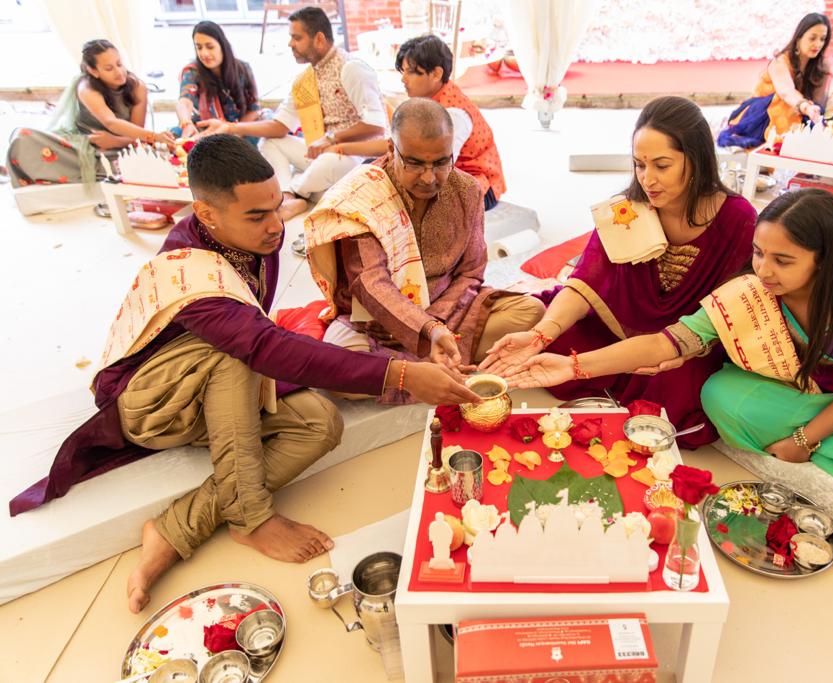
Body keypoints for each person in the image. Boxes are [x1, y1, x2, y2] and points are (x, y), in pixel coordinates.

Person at [8, 135, 480, 613]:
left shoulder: (248, 240)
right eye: (257, 215)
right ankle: (250, 518)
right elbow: (260, 346)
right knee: (236, 353)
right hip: (155, 407)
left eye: (277, 207)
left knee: (321, 423)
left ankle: (173, 531)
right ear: (207, 214)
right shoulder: (189, 272)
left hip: (214, 391)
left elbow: (263, 340)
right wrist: (400, 375)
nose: (277, 226)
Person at [508, 189, 833, 509]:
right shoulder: (751, 292)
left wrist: (804, 437)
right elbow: (667, 343)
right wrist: (571, 365)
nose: (764, 270)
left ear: (824, 260)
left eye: (783, 259)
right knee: (720, 396)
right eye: (758, 252)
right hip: (804, 392)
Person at [481, 96, 756, 448]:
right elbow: (585, 283)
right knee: (555, 344)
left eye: (661, 165)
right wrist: (540, 336)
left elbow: (728, 315)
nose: (647, 179)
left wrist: (675, 350)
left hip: (685, 346)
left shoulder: (737, 219)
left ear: (698, 160)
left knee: (673, 399)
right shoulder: (628, 209)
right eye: (640, 165)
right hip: (619, 329)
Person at [304, 98, 544, 402]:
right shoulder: (363, 197)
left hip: (447, 314)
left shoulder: (467, 191)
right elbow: (370, 283)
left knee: (531, 312)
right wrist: (421, 328)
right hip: (376, 325)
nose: (429, 177)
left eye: (442, 162)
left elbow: (471, 272)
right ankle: (432, 370)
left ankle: (421, 371)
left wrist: (433, 323)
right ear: (392, 150)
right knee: (337, 374)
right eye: (415, 163)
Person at [199, 7, 388, 220]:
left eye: (296, 38)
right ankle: (291, 196)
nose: (290, 44)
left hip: (356, 157)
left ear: (318, 38)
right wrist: (231, 127)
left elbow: (376, 124)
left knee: (330, 161)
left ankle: (294, 193)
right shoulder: (304, 80)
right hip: (321, 153)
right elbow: (279, 126)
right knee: (270, 143)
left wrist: (331, 139)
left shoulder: (351, 68)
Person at [333, 34, 507, 210]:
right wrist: (342, 148)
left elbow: (440, 173)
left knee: (399, 190)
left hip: (479, 188)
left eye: (410, 72)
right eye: (403, 72)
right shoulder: (426, 104)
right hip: (438, 175)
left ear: (436, 74)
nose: (403, 79)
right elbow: (394, 145)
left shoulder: (454, 115)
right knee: (370, 169)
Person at [7, 39, 174, 187]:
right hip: (80, 145)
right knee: (22, 137)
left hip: (120, 148)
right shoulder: (86, 87)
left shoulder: (137, 87)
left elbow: (138, 135)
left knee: (142, 163)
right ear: (93, 71)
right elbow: (110, 122)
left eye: (119, 64)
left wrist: (115, 141)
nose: (119, 72)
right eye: (109, 68)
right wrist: (153, 136)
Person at [718, 13, 832, 148]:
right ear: (798, 38)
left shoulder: (822, 67)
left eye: (822, 39)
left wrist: (814, 112)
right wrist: (806, 107)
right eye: (812, 38)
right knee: (783, 104)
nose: (818, 44)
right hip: (762, 114)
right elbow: (786, 92)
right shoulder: (780, 61)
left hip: (802, 114)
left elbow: (817, 102)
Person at [175, 21, 262, 144]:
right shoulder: (193, 71)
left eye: (210, 47)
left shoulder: (242, 69)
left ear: (222, 46)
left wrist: (232, 132)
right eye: (199, 47)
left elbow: (254, 110)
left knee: (262, 137)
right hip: (203, 131)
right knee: (173, 140)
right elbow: (184, 101)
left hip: (236, 129)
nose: (204, 53)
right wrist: (186, 122)